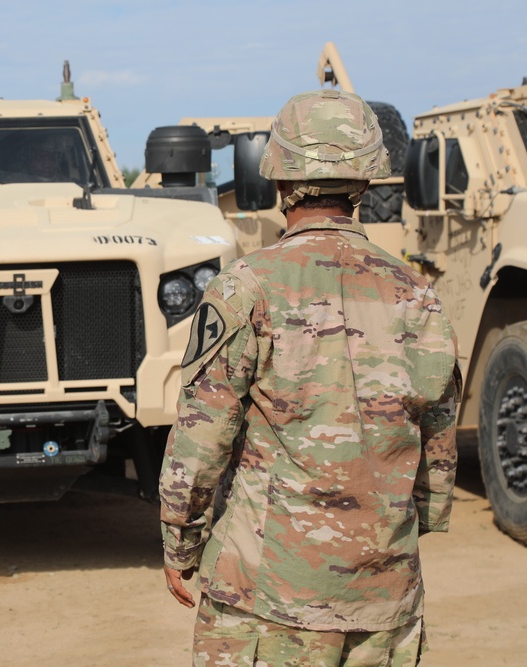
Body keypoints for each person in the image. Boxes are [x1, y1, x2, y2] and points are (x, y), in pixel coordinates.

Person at [158, 89, 461, 666]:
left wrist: (181, 541)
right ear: (367, 183)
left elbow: (202, 437)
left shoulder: (249, 285)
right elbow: (437, 450)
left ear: (277, 180)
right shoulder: (418, 293)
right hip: (385, 601)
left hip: (269, 598)